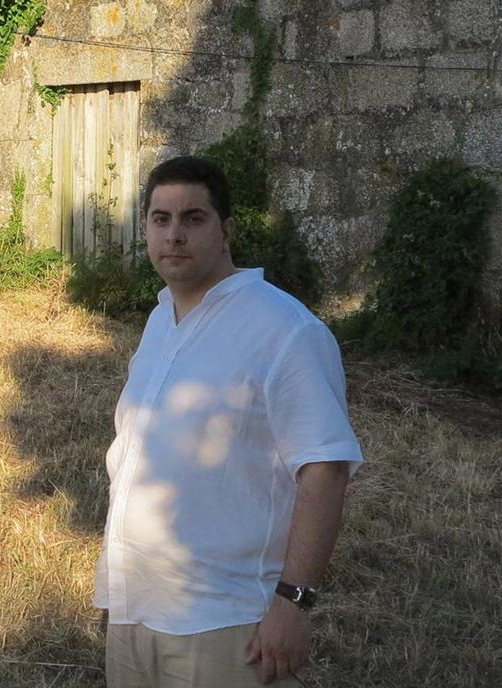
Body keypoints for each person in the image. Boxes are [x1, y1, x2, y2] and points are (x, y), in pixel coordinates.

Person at [96, 155, 363, 687]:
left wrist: (294, 603)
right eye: (160, 218)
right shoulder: (159, 321)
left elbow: (325, 468)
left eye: (193, 218)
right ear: (145, 227)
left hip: (226, 623)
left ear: (226, 230)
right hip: (134, 609)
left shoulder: (284, 329)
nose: (174, 234)